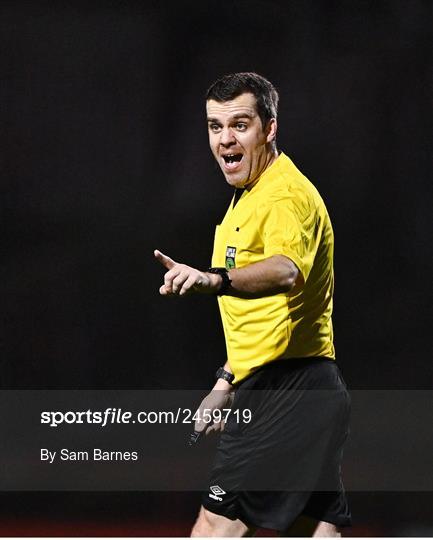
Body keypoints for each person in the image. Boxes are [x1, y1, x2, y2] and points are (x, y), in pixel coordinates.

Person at [154, 72, 351, 537]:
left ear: (270, 128)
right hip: (308, 386)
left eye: (240, 125)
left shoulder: (284, 195)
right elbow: (261, 320)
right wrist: (226, 381)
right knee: (316, 529)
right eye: (214, 126)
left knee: (213, 528)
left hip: (285, 388)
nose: (225, 138)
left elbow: (287, 270)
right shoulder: (250, 197)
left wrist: (214, 279)